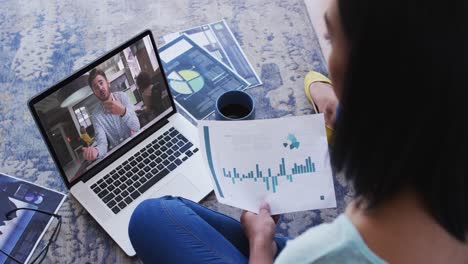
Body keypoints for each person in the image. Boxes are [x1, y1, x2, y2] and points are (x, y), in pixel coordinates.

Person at [128, 0, 468, 263]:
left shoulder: (319, 253)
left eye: (331, 39)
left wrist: (261, 246)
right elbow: (314, 80)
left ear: (368, 75)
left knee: (149, 217)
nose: (328, 56)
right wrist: (334, 99)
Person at [82, 69, 140, 161]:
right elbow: (103, 143)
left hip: (136, 146)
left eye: (101, 83)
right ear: (94, 93)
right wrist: (96, 152)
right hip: (119, 156)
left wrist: (123, 112)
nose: (100, 88)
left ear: (108, 83)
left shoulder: (122, 97)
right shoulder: (96, 116)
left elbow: (136, 127)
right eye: (96, 87)